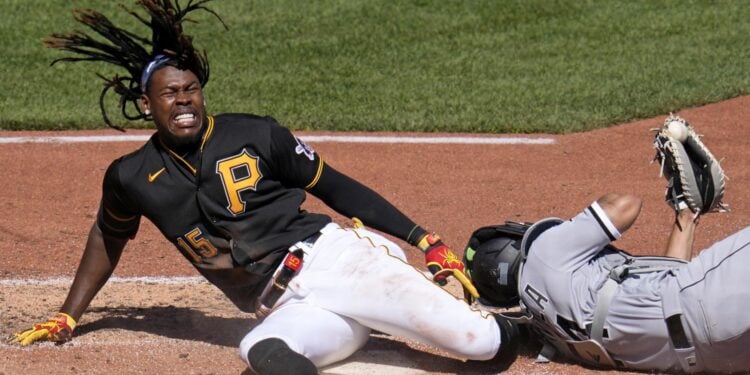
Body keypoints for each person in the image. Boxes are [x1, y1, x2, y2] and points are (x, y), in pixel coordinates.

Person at [9, 1, 518, 374]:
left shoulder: (254, 133)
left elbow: (335, 187)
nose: (184, 101)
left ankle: (534, 324)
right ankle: (379, 321)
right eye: (170, 94)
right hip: (289, 307)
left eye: (192, 90)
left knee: (480, 344)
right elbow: (106, 238)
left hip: (334, 261)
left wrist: (424, 239)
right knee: (263, 353)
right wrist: (66, 317)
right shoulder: (131, 175)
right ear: (147, 104)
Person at [468, 191, 750, 373]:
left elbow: (668, 289)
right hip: (705, 301)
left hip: (718, 356)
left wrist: (685, 217)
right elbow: (626, 204)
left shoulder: (554, 336)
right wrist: (574, 224)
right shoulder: (544, 251)